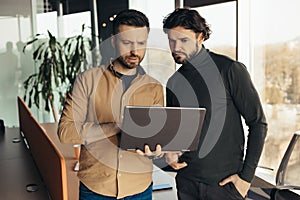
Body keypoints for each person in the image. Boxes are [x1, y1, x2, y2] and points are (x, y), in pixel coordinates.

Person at [57, 9, 164, 200]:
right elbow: (66, 133)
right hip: (95, 188)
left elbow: (155, 138)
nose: (134, 51)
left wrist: (156, 151)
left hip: (139, 189)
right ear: (114, 41)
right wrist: (116, 126)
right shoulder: (87, 80)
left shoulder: (154, 87)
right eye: (127, 42)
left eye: (141, 43)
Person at [162, 8, 268, 200]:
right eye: (171, 40)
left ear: (200, 37)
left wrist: (245, 178)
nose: (176, 47)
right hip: (186, 184)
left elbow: (258, 123)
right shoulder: (174, 82)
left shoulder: (230, 70)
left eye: (183, 40)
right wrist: (170, 152)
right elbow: (176, 131)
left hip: (224, 186)